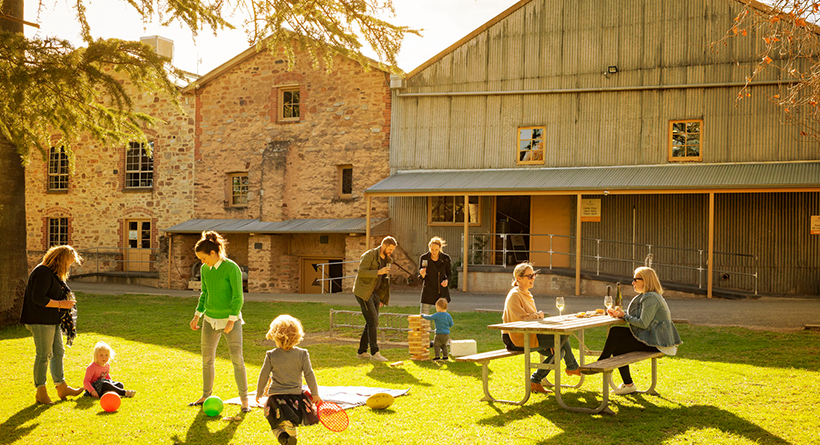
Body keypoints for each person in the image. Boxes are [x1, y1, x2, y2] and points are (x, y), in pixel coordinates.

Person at [188, 231, 250, 412]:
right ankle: (206, 395)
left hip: (231, 321)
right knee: (207, 360)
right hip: (209, 320)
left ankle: (244, 400)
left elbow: (238, 297)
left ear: (213, 253)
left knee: (237, 359)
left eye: (203, 258)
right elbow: (204, 294)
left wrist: (231, 320)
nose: (202, 262)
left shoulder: (231, 268)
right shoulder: (205, 269)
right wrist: (197, 315)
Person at [20, 245, 86, 405]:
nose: (68, 266)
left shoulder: (53, 273)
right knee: (44, 355)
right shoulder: (43, 272)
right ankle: (40, 391)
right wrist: (61, 304)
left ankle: (61, 386)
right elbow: (38, 298)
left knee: (58, 351)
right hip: (39, 319)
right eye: (68, 262)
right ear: (60, 259)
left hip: (51, 319)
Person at [501, 262, 580, 394]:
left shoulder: (526, 293)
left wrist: (546, 333)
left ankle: (535, 381)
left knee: (559, 351)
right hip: (514, 338)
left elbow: (532, 320)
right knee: (562, 337)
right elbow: (521, 321)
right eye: (529, 276)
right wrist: (539, 315)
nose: (533, 278)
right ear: (519, 278)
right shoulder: (515, 295)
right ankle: (572, 367)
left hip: (529, 334)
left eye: (534, 275)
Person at [602, 266, 682, 395]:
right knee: (617, 336)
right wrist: (621, 314)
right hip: (655, 337)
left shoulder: (650, 297)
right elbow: (643, 317)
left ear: (645, 281)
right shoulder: (649, 296)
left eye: (635, 279)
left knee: (618, 341)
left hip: (658, 342)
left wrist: (624, 316)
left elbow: (643, 323)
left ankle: (603, 365)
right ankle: (618, 376)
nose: (632, 283)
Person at [256, 315, 321, 445]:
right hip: (296, 398)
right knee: (291, 419)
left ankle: (282, 436)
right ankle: (291, 432)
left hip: (276, 398)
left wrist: (259, 391)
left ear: (275, 336)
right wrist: (315, 393)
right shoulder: (303, 354)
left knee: (274, 422)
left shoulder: (271, 355)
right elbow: (309, 374)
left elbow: (263, 375)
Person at [352, 236, 397, 362]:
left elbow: (384, 281)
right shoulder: (370, 255)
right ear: (384, 245)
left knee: (371, 322)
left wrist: (382, 298)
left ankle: (361, 352)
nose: (391, 252)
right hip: (364, 292)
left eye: (392, 250)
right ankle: (375, 352)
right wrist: (378, 271)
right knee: (373, 321)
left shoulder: (387, 260)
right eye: (390, 249)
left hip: (376, 294)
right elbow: (361, 272)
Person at [418, 237, 452, 314]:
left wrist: (446, 281)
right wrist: (422, 274)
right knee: (424, 318)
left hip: (441, 291)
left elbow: (449, 274)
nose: (434, 252)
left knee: (442, 318)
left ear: (440, 248)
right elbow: (420, 277)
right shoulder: (424, 258)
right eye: (432, 249)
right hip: (428, 291)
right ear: (429, 247)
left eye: (436, 250)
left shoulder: (445, 258)